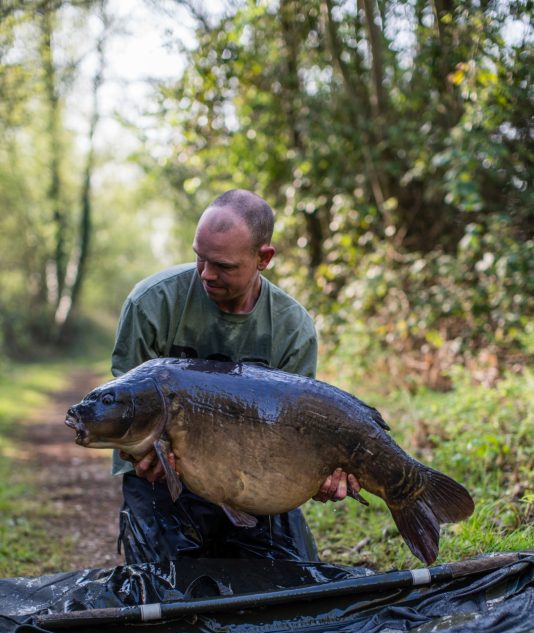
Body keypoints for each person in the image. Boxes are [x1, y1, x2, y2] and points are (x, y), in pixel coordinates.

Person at [111, 189, 360, 564]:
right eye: (200, 257)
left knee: (284, 589)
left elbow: (298, 434)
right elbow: (123, 411)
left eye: (223, 266)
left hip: (255, 477)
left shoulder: (292, 328)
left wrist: (317, 476)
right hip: (163, 479)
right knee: (169, 591)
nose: (206, 274)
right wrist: (141, 456)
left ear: (264, 258)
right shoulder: (151, 304)